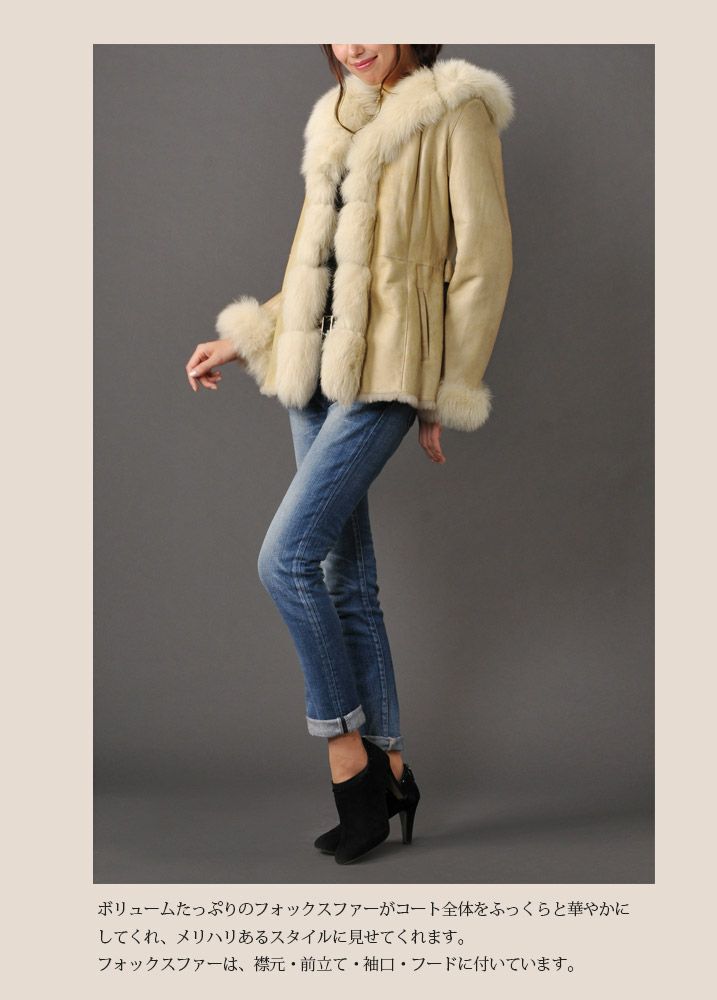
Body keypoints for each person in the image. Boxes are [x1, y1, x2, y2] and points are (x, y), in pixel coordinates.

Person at [185, 44, 515, 864]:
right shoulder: (336, 115)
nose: (352, 43)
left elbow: (483, 260)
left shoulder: (455, 108)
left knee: (284, 561)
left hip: (390, 369)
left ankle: (348, 760)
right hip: (313, 370)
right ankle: (393, 767)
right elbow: (316, 266)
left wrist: (447, 387)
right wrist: (246, 336)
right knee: (346, 579)